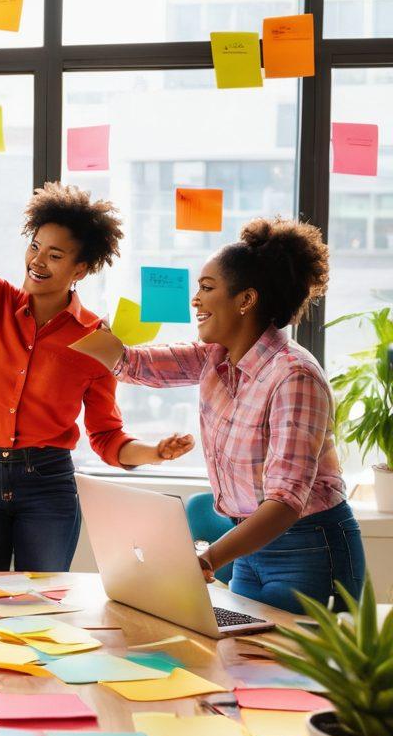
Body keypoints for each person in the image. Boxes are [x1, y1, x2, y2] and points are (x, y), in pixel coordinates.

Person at [0, 136, 192, 572]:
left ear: (80, 270)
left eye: (55, 255)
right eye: (35, 247)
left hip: (47, 485)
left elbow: (107, 437)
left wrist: (155, 452)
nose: (38, 261)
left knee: (40, 606)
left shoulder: (96, 338)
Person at [73, 217, 364, 614]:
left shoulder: (294, 375)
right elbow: (132, 363)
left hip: (308, 547)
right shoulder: (214, 357)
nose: (196, 300)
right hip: (247, 544)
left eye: (207, 289)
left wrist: (207, 559)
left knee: (292, 673)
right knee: (240, 663)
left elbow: (284, 501)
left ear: (246, 300)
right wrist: (60, 314)